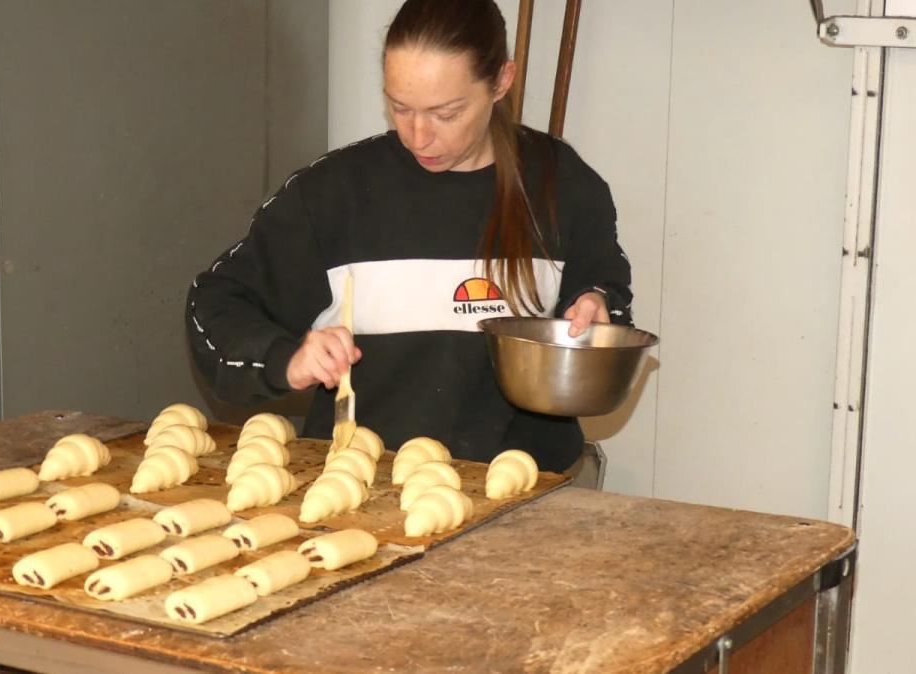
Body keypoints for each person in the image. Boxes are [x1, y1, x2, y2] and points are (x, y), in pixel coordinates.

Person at [185, 0, 632, 475]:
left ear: (501, 81)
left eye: (446, 113)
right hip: (363, 487)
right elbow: (215, 302)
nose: (418, 137)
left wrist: (596, 304)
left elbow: (606, 295)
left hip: (524, 489)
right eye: (400, 108)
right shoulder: (335, 195)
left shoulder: (563, 186)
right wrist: (286, 358)